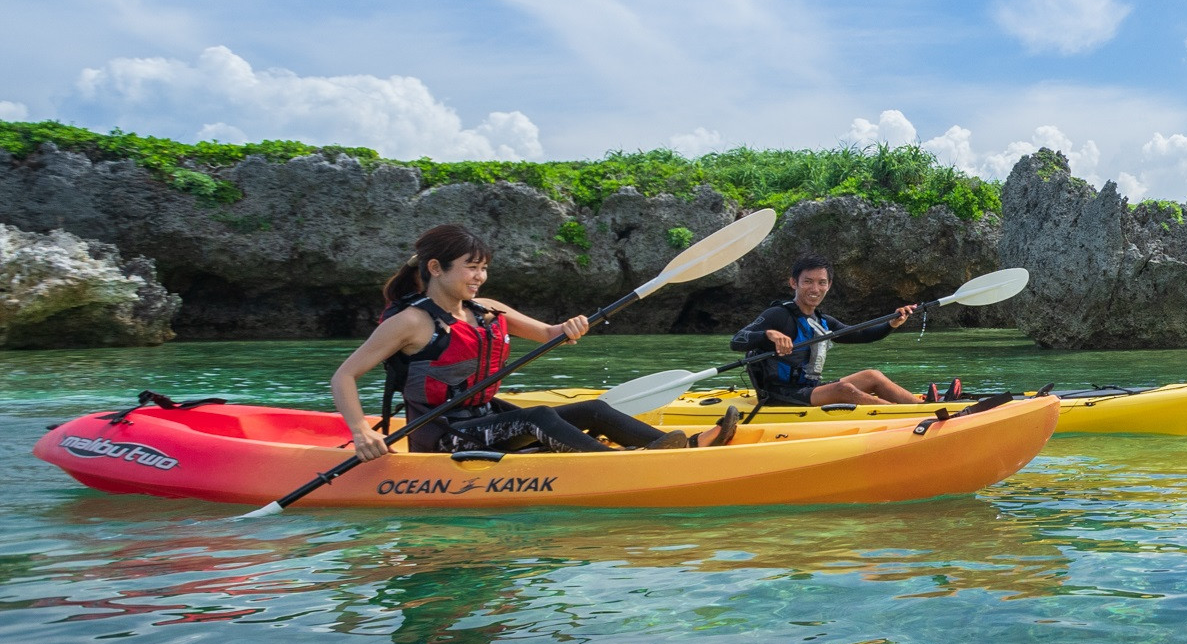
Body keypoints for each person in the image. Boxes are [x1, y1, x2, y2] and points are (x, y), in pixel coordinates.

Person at [332, 223, 743, 458]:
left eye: (484, 269)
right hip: (441, 435)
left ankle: (681, 447)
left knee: (593, 408)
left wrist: (571, 327)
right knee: (541, 417)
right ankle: (617, 466)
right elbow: (344, 377)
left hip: (482, 420)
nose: (479, 277)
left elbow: (550, 334)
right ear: (436, 268)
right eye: (471, 269)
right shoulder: (411, 322)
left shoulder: (488, 309)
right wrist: (360, 431)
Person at [731, 256, 931, 407]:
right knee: (844, 390)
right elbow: (738, 340)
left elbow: (860, 335)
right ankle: (899, 414)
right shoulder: (779, 314)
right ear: (794, 283)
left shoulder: (823, 321)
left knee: (872, 376)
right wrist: (769, 335)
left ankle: (922, 408)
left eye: (821, 282)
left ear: (829, 285)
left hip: (810, 389)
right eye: (808, 281)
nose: (815, 289)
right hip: (781, 394)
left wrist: (892, 324)